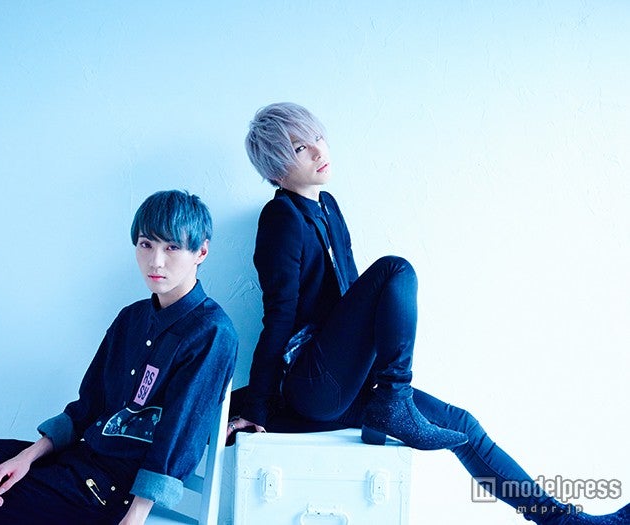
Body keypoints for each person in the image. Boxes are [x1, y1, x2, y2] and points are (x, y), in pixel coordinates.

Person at [227, 102, 629, 525]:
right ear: (277, 172)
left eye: (316, 138)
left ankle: (563, 520)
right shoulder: (281, 218)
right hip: (313, 384)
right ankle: (394, 398)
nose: (316, 151)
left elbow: (351, 305)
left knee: (463, 427)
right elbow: (278, 317)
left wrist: (372, 371)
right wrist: (257, 409)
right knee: (395, 270)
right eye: (298, 149)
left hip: (350, 382)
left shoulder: (328, 207)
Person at [0, 190, 238, 525]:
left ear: (201, 252)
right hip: (77, 460)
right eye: (146, 244)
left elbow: (180, 438)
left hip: (110, 494)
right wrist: (27, 456)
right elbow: (87, 407)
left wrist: (135, 517)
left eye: (172, 247)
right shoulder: (131, 319)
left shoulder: (211, 332)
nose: (156, 261)